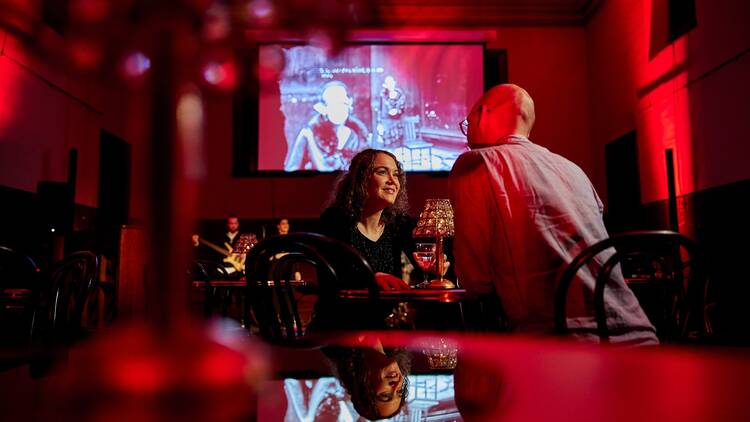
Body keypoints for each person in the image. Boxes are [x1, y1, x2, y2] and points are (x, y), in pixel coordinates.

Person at [449, 84, 657, 345]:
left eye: (467, 125)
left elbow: (475, 280)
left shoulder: (477, 163)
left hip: (560, 348)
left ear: (483, 113)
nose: (467, 138)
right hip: (641, 336)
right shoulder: (572, 169)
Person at [319, 148, 414, 291]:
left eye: (396, 174)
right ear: (361, 179)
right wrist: (371, 278)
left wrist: (436, 268)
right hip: (343, 311)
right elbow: (332, 277)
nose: (393, 180)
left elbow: (423, 265)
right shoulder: (335, 219)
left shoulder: (399, 222)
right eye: (382, 172)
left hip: (388, 313)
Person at [284, 81, 371, 171]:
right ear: (324, 108)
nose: (339, 109)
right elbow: (292, 169)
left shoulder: (359, 136)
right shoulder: (309, 133)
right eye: (333, 104)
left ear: (349, 104)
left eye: (343, 103)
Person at [323, 336, 411, 420]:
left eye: (385, 395)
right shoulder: (401, 332)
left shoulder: (334, 343)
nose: (396, 385)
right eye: (399, 391)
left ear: (364, 387)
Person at [377, 75, 406, 147]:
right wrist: (379, 123)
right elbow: (380, 109)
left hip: (396, 123)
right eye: (388, 83)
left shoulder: (400, 94)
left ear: (394, 83)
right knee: (387, 146)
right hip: (385, 123)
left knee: (397, 146)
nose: (390, 85)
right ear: (385, 85)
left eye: (391, 83)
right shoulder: (383, 95)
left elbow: (403, 108)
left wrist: (397, 111)